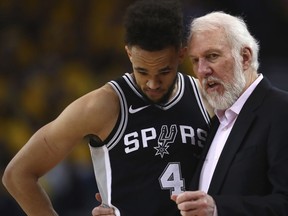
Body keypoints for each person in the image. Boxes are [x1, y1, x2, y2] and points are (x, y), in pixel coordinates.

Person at [2, 0, 212, 215]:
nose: (152, 83)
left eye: (164, 72)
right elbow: (18, 174)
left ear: (181, 54)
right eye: (142, 72)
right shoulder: (103, 105)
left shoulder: (208, 99)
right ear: (129, 53)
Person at [170, 11, 288, 216]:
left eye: (212, 56)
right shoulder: (216, 122)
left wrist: (217, 209)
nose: (202, 70)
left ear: (244, 57)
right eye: (195, 60)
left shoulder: (281, 111)